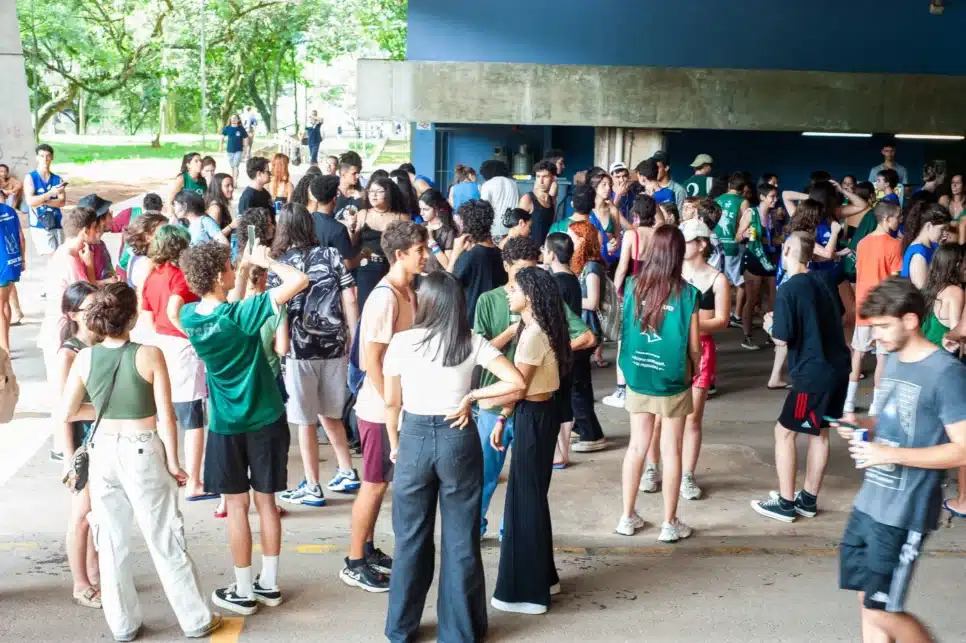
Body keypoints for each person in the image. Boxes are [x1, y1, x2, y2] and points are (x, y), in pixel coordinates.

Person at [57, 283, 222, 641]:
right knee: (164, 537)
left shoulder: (85, 356)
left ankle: (123, 624)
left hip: (103, 451)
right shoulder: (149, 354)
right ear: (132, 317)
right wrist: (176, 464)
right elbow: (167, 417)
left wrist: (101, 409)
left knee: (112, 542)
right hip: (143, 449)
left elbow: (68, 411)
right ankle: (194, 619)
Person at [383, 271, 524, 642]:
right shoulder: (470, 341)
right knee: (461, 540)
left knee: (410, 538)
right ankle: (459, 632)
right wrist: (473, 398)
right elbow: (516, 383)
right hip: (457, 437)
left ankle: (400, 629)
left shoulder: (401, 342)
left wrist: (395, 444)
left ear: (424, 302)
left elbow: (391, 402)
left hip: (413, 436)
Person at [180, 240, 308, 615]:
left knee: (236, 508)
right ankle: (269, 583)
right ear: (221, 275)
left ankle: (242, 588)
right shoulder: (247, 313)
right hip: (266, 418)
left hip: (225, 424)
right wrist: (267, 261)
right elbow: (299, 280)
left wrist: (239, 271)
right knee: (266, 503)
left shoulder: (191, 317)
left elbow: (226, 304)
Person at [835, 277, 966, 643]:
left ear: (910, 320)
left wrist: (888, 454)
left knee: (883, 609)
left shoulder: (946, 373)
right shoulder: (892, 360)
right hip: (870, 503)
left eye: (882, 326)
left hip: (904, 511)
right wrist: (863, 424)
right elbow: (891, 421)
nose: (876, 335)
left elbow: (963, 449)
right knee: (868, 599)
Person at [473, 237, 594, 535]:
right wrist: (511, 333)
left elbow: (588, 337)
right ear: (506, 268)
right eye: (519, 273)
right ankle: (473, 527)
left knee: (524, 482)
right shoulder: (488, 301)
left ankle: (510, 532)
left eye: (532, 271)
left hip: (527, 405)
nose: (525, 281)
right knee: (485, 475)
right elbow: (477, 350)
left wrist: (547, 347)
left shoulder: (543, 300)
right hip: (495, 403)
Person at [341, 220, 427, 593]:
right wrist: (393, 404)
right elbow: (368, 360)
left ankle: (369, 549)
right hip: (379, 411)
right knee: (373, 485)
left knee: (381, 484)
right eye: (420, 250)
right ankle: (354, 561)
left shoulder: (411, 290)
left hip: (397, 405)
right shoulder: (384, 297)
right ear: (399, 254)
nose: (426, 254)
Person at [490, 266, 572, 615]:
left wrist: (477, 398)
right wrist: (505, 416)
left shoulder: (533, 334)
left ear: (531, 296)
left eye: (513, 289)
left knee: (525, 501)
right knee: (531, 498)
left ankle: (526, 591)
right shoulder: (540, 328)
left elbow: (516, 386)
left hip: (534, 418)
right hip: (539, 415)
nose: (508, 293)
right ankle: (543, 578)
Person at [753, 232, 850, 522]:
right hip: (838, 370)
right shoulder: (826, 281)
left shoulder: (789, 289)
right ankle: (807, 499)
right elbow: (841, 316)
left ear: (788, 252)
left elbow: (782, 337)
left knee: (784, 432)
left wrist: (770, 324)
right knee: (820, 432)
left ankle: (785, 503)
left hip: (812, 375)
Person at [269, 204, 361, 506]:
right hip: (334, 347)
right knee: (329, 412)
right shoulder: (332, 254)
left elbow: (276, 310)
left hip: (299, 351)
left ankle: (312, 485)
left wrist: (277, 347)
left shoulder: (281, 264)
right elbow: (350, 294)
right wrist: (352, 335)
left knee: (305, 420)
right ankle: (347, 470)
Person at [616, 225, 700, 541]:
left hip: (639, 376)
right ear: (678, 255)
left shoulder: (633, 285)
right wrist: (692, 370)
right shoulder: (688, 293)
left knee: (637, 446)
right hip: (673, 380)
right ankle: (669, 523)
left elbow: (625, 332)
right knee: (672, 450)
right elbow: (694, 346)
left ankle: (626, 517)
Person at [141, 224, 212, 501]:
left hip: (159, 345)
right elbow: (174, 310)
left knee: (164, 414)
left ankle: (170, 469)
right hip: (182, 348)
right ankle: (195, 481)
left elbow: (147, 315)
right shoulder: (181, 277)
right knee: (192, 416)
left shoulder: (152, 276)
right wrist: (193, 336)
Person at [54, 282, 100, 609]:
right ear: (73, 315)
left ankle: (96, 574)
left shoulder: (99, 343)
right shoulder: (69, 353)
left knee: (98, 512)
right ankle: (80, 583)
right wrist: (69, 457)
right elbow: (63, 412)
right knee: (81, 514)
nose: (97, 313)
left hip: (102, 440)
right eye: (89, 309)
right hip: (82, 444)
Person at [40, 206, 98, 461]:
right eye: (97, 228)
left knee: (61, 391)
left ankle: (63, 448)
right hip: (61, 332)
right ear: (85, 231)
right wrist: (90, 266)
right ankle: (65, 450)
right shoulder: (72, 261)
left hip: (57, 329)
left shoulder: (64, 253)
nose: (101, 233)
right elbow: (88, 295)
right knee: (64, 394)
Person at [679, 218, 730, 500]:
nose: (681, 246)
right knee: (661, 417)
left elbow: (721, 320)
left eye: (686, 240)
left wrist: (688, 323)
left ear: (701, 244)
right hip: (671, 350)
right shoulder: (673, 272)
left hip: (701, 351)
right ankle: (652, 467)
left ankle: (687, 475)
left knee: (692, 419)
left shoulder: (717, 278)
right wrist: (697, 321)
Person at [844, 201, 903, 419]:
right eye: (897, 217)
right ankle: (876, 406)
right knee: (882, 358)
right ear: (887, 219)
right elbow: (895, 280)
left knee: (858, 355)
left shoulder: (862, 243)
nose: (900, 220)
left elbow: (859, 272)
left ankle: (849, 402)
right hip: (884, 309)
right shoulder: (894, 245)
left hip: (863, 306)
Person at [347, 177, 409, 311]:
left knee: (390, 308)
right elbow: (352, 243)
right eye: (371, 191)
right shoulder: (362, 214)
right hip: (366, 267)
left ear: (389, 193)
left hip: (391, 268)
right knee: (366, 310)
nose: (373, 195)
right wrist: (352, 229)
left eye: (378, 191)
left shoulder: (401, 217)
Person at [448, 199, 508, 324]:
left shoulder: (469, 257)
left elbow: (446, 287)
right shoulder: (501, 254)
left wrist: (454, 254)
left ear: (466, 226)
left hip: (471, 323)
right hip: (495, 321)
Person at [736, 183, 780, 350]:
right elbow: (737, 237)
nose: (775, 200)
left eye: (776, 196)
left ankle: (772, 333)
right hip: (754, 258)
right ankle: (747, 336)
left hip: (769, 259)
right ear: (762, 197)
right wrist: (745, 234)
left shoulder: (773, 216)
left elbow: (773, 239)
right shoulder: (750, 213)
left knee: (773, 299)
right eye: (772, 197)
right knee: (752, 299)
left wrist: (781, 238)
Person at [714, 173, 749, 328]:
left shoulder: (716, 200)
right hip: (733, 245)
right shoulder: (743, 202)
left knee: (719, 280)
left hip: (716, 246)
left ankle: (721, 314)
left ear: (729, 185)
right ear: (743, 189)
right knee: (740, 282)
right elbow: (743, 226)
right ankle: (736, 315)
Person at [24, 143, 66, 257]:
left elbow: (61, 202)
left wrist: (43, 200)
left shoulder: (58, 179)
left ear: (52, 157)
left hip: (57, 221)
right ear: (37, 157)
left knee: (60, 255)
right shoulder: (30, 178)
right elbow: (30, 201)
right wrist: (51, 194)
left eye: (48, 156)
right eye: (42, 156)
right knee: (51, 255)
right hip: (40, 223)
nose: (45, 159)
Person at [919, 243, 964, 350]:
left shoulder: (930, 288)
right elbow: (957, 336)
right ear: (957, 265)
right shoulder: (955, 292)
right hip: (942, 356)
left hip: (923, 352)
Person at [308, 174, 359, 269]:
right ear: (335, 198)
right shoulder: (338, 229)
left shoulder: (306, 221)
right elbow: (348, 265)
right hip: (331, 280)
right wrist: (363, 255)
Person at [901, 203, 952, 287]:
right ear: (928, 226)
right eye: (942, 229)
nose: (945, 233)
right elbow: (922, 293)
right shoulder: (918, 255)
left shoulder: (933, 245)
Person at [0, 196, 24, 354]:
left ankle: (5, 348)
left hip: (1, 263)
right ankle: (5, 343)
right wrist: (23, 259)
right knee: (5, 302)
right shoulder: (9, 210)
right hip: (12, 260)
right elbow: (21, 237)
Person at [518, 160, 556, 248]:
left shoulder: (551, 200)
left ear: (553, 178)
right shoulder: (527, 199)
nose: (541, 181)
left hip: (545, 253)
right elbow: (517, 229)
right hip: (528, 252)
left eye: (545, 177)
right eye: (538, 176)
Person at [418, 189, 457, 272]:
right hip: (420, 276)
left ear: (436, 209)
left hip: (437, 280)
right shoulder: (420, 227)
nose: (421, 213)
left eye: (426, 209)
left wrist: (432, 241)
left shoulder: (448, 231)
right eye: (420, 209)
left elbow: (447, 265)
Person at [479, 160, 519, 240]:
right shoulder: (514, 183)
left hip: (495, 229)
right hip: (513, 228)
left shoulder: (488, 184)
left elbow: (483, 208)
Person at [334, 153, 364, 222]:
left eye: (358, 173)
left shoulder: (362, 193)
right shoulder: (331, 191)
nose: (358, 176)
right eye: (354, 173)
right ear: (343, 173)